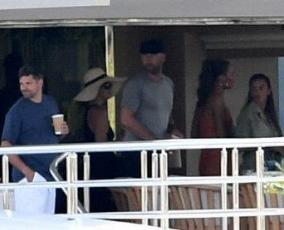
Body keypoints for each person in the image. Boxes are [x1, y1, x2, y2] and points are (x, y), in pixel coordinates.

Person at [1, 64, 69, 213]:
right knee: (31, 223)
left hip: (51, 175)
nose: (24, 88)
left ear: (40, 83)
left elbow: (54, 137)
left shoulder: (51, 103)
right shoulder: (17, 111)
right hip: (30, 179)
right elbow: (6, 144)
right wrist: (27, 172)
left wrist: (63, 131)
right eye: (21, 84)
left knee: (47, 222)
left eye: (28, 83)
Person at [120, 39, 183, 176]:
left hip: (158, 151)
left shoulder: (168, 84)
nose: (148, 59)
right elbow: (126, 119)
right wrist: (151, 139)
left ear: (163, 57)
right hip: (136, 152)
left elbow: (167, 113)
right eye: (144, 56)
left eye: (152, 55)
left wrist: (173, 129)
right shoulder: (135, 84)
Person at [74, 67, 126, 213]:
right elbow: (101, 144)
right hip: (101, 167)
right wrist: (119, 143)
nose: (110, 89)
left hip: (91, 166)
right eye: (106, 85)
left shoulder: (87, 110)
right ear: (97, 89)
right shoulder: (99, 111)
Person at [192, 58, 235, 176]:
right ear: (221, 78)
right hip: (219, 160)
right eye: (231, 74)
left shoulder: (204, 100)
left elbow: (194, 133)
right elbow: (221, 135)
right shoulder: (216, 100)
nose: (233, 78)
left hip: (206, 157)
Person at [236, 73, 283, 172]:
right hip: (253, 169)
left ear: (268, 91)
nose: (257, 92)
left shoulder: (269, 115)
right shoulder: (248, 113)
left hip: (270, 168)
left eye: (261, 88)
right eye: (254, 89)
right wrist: (269, 145)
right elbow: (240, 144)